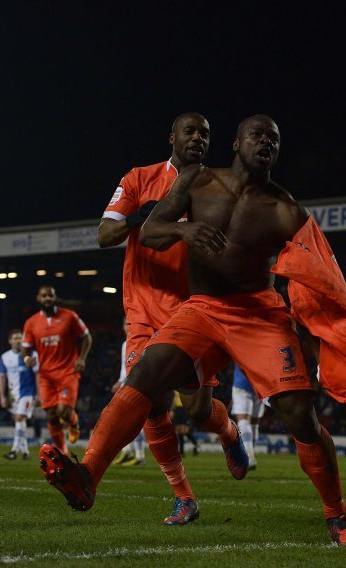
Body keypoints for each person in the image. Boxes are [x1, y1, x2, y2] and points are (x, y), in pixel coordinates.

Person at [40, 115, 346, 546]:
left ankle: (337, 514)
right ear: (236, 143)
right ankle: (88, 476)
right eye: (257, 135)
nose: (265, 142)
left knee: (299, 416)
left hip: (259, 315)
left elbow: (325, 277)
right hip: (200, 309)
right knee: (146, 376)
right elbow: (153, 231)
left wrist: (330, 335)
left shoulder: (286, 208)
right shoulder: (197, 180)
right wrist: (188, 230)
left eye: (274, 138)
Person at [95, 112, 249, 525]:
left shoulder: (218, 190)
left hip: (194, 311)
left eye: (206, 133)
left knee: (198, 408)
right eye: (191, 131)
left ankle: (229, 433)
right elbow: (104, 234)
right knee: (150, 403)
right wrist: (139, 217)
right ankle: (184, 497)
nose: (198, 137)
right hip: (144, 311)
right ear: (172, 137)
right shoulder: (138, 179)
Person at [21, 285, 92, 455]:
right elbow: (25, 347)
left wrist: (81, 358)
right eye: (44, 296)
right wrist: (26, 358)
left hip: (68, 371)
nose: (47, 298)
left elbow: (86, 337)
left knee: (63, 411)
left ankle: (73, 422)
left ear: (55, 297)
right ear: (38, 298)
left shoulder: (69, 316)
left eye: (50, 295)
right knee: (52, 415)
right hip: (45, 375)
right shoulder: (31, 323)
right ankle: (63, 452)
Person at [0, 328, 38, 460]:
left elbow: (38, 375)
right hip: (13, 395)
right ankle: (25, 451)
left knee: (20, 418)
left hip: (28, 393)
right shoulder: (5, 357)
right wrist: (2, 396)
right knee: (19, 422)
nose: (18, 340)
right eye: (15, 338)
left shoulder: (31, 355)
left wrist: (39, 394)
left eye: (21, 338)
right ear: (10, 341)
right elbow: (2, 377)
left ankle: (14, 451)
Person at [112, 317, 147, 466]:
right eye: (126, 324)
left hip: (139, 386)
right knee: (122, 421)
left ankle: (139, 455)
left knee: (134, 421)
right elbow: (124, 368)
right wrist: (120, 382)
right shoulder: (125, 344)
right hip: (126, 384)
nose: (128, 327)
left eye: (130, 324)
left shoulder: (142, 342)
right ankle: (127, 452)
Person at [232, 363, 266, 469]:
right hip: (261, 383)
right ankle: (251, 454)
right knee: (254, 423)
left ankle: (250, 458)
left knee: (243, 419)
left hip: (242, 382)